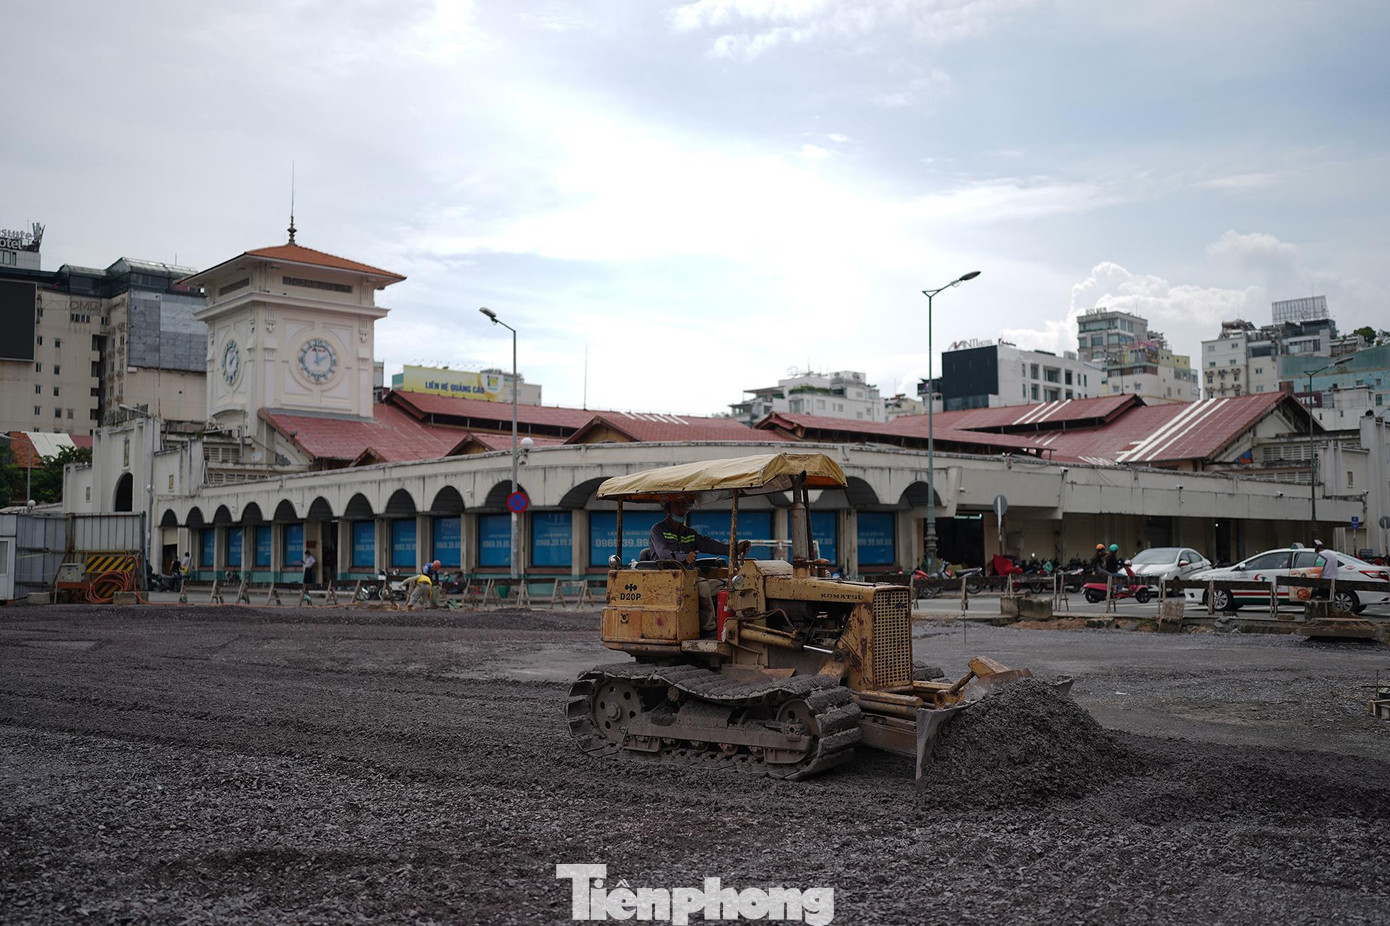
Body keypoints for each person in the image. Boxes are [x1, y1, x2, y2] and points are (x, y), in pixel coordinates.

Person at [649, 496, 751, 633]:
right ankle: (710, 629)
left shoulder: (689, 533)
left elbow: (710, 545)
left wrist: (734, 549)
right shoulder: (658, 530)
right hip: (668, 580)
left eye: (684, 505)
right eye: (677, 504)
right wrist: (685, 557)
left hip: (689, 579)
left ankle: (731, 623)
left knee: (728, 584)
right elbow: (663, 554)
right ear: (668, 508)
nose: (681, 509)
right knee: (702, 586)